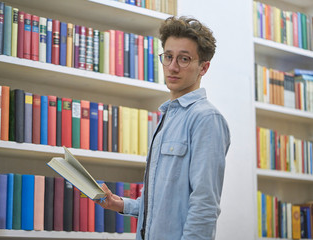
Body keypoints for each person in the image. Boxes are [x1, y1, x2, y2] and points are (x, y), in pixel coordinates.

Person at [96, 16, 231, 240]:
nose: (172, 67)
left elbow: (205, 207)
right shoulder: (167, 117)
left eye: (184, 59)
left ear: (203, 68)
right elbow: (161, 205)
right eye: (168, 57)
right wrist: (121, 204)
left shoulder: (206, 118)